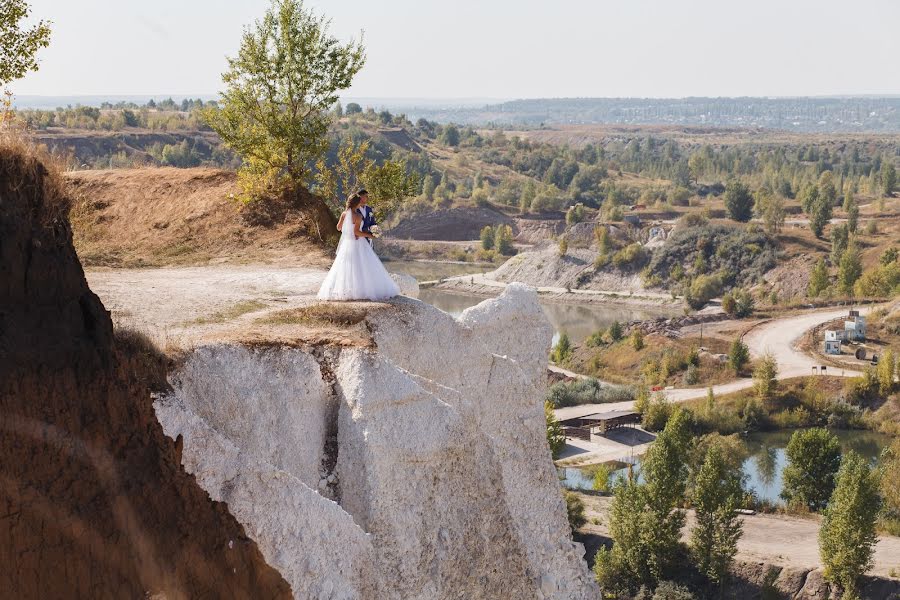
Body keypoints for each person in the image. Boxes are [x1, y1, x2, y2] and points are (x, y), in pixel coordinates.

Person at [317, 195, 399, 301]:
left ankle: (345, 290)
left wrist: (347, 232)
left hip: (347, 244)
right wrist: (370, 235)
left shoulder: (344, 214)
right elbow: (357, 232)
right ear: (357, 203)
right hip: (358, 243)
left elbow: (338, 227)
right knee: (363, 265)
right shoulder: (358, 216)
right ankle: (362, 290)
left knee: (345, 266)